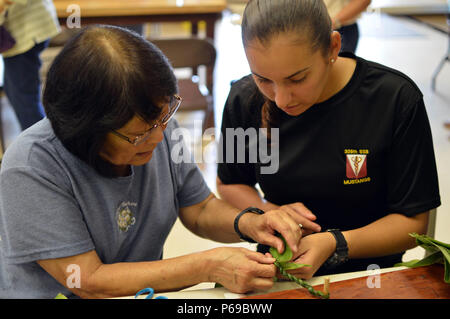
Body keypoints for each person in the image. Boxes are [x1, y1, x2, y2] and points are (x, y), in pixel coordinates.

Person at [0, 25, 304, 298]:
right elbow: (88, 280)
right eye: (139, 135)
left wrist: (250, 222)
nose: (159, 138)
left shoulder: (153, 122)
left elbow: (199, 209)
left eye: (163, 119)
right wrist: (208, 265)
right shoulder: (31, 167)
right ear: (86, 131)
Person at [217, 0, 441, 279]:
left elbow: (413, 223)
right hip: (276, 274)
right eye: (263, 79)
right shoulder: (244, 99)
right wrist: (270, 213)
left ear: (333, 47)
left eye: (297, 79)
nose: (281, 99)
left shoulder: (394, 99)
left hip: (372, 274)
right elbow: (231, 182)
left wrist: (336, 243)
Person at [1, 0, 60, 130]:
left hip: (26, 34)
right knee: (14, 92)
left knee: (25, 101)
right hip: (23, 32)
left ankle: (40, 145)